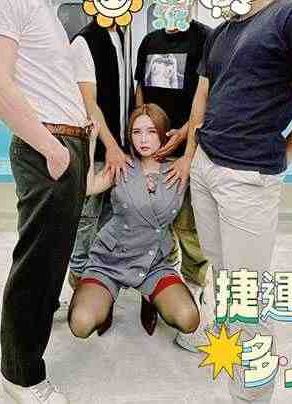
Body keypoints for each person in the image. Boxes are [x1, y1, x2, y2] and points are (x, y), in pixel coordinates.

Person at [166, 0, 292, 401]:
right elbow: (203, 96)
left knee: (246, 294)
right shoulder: (223, 32)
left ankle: (250, 395)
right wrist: (192, 155)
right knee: (221, 270)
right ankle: (225, 337)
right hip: (207, 164)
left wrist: (290, 146)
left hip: (247, 176)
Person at [0, 1, 93, 402]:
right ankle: (20, 375)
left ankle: (36, 322)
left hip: (66, 143)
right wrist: (53, 150)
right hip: (49, 146)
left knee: (50, 262)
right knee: (37, 266)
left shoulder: (43, 10)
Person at [68, 104, 200, 339]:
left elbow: (203, 122)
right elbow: (88, 188)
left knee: (188, 318)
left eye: (151, 131)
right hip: (109, 260)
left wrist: (188, 154)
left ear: (164, 133)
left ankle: (150, 297)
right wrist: (92, 142)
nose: (144, 139)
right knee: (81, 323)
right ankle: (106, 298)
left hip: (154, 263)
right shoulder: (122, 164)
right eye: (137, 132)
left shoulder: (179, 169)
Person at [134, 6, 213, 352]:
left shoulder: (206, 38)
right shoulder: (149, 41)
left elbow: (208, 97)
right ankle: (151, 291)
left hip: (187, 153)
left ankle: (194, 288)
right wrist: (141, 136)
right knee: (151, 224)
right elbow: (141, 91)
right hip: (151, 151)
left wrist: (185, 141)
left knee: (188, 227)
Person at [65, 20, 134, 319]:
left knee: (109, 222)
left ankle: (100, 288)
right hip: (96, 152)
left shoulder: (122, 35)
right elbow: (88, 104)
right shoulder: (84, 42)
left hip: (119, 151)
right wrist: (113, 146)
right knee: (85, 222)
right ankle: (79, 290)